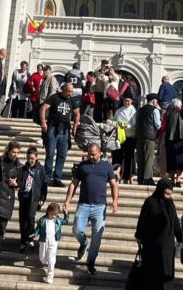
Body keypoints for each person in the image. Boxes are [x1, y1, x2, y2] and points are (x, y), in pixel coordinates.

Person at [63, 142, 119, 276]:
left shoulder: (106, 166)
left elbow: (114, 184)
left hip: (100, 207)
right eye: (89, 154)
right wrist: (67, 201)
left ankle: (91, 262)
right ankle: (83, 242)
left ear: (99, 153)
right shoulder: (82, 166)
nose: (91, 157)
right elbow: (74, 184)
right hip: (83, 205)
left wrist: (115, 201)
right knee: (76, 230)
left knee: (97, 237)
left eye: (93, 154)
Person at [135, 178, 182, 290]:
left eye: (171, 190)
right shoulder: (150, 201)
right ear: (161, 188)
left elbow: (175, 221)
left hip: (167, 246)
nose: (169, 192)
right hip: (152, 244)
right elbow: (142, 220)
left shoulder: (170, 203)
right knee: (152, 273)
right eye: (167, 190)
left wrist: (179, 236)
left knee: (166, 272)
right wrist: (139, 235)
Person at [41, 81, 80, 186]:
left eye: (72, 92)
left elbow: (77, 113)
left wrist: (75, 127)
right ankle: (47, 177)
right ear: (63, 89)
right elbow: (43, 108)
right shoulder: (54, 97)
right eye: (68, 91)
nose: (70, 94)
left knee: (62, 155)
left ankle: (57, 177)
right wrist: (44, 122)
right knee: (50, 154)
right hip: (53, 128)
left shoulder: (71, 100)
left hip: (65, 130)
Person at [17, 145, 48, 251]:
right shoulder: (23, 169)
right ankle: (23, 241)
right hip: (24, 197)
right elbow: (19, 182)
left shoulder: (41, 169)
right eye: (28, 158)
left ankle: (30, 239)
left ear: (37, 157)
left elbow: (44, 185)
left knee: (30, 217)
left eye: (32, 158)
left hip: (34, 197)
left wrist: (42, 198)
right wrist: (16, 184)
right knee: (23, 219)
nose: (30, 160)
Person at [32, 202, 67, 285]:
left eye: (56, 214)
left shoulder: (58, 220)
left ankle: (50, 276)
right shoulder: (42, 220)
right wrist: (34, 234)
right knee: (42, 259)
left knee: (51, 259)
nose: (54, 216)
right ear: (49, 211)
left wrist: (66, 213)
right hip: (43, 240)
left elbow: (65, 221)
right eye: (53, 214)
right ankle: (47, 261)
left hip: (54, 241)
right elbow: (38, 229)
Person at [135, 94, 162, 185]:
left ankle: (140, 179)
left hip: (139, 137)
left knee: (141, 158)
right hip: (150, 137)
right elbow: (158, 125)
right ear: (154, 101)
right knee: (149, 158)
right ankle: (147, 178)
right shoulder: (155, 110)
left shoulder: (140, 110)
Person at [163, 98, 183, 185]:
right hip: (182, 140)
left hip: (170, 140)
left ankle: (172, 180)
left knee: (172, 162)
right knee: (181, 162)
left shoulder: (168, 113)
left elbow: (163, 125)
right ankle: (178, 180)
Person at [113, 94, 138, 183]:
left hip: (130, 136)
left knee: (129, 157)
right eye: (125, 101)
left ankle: (127, 176)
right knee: (119, 156)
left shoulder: (133, 110)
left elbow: (135, 124)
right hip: (120, 136)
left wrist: (126, 126)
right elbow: (114, 120)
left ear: (131, 101)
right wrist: (115, 123)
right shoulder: (119, 110)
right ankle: (119, 175)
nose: (126, 103)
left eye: (128, 101)